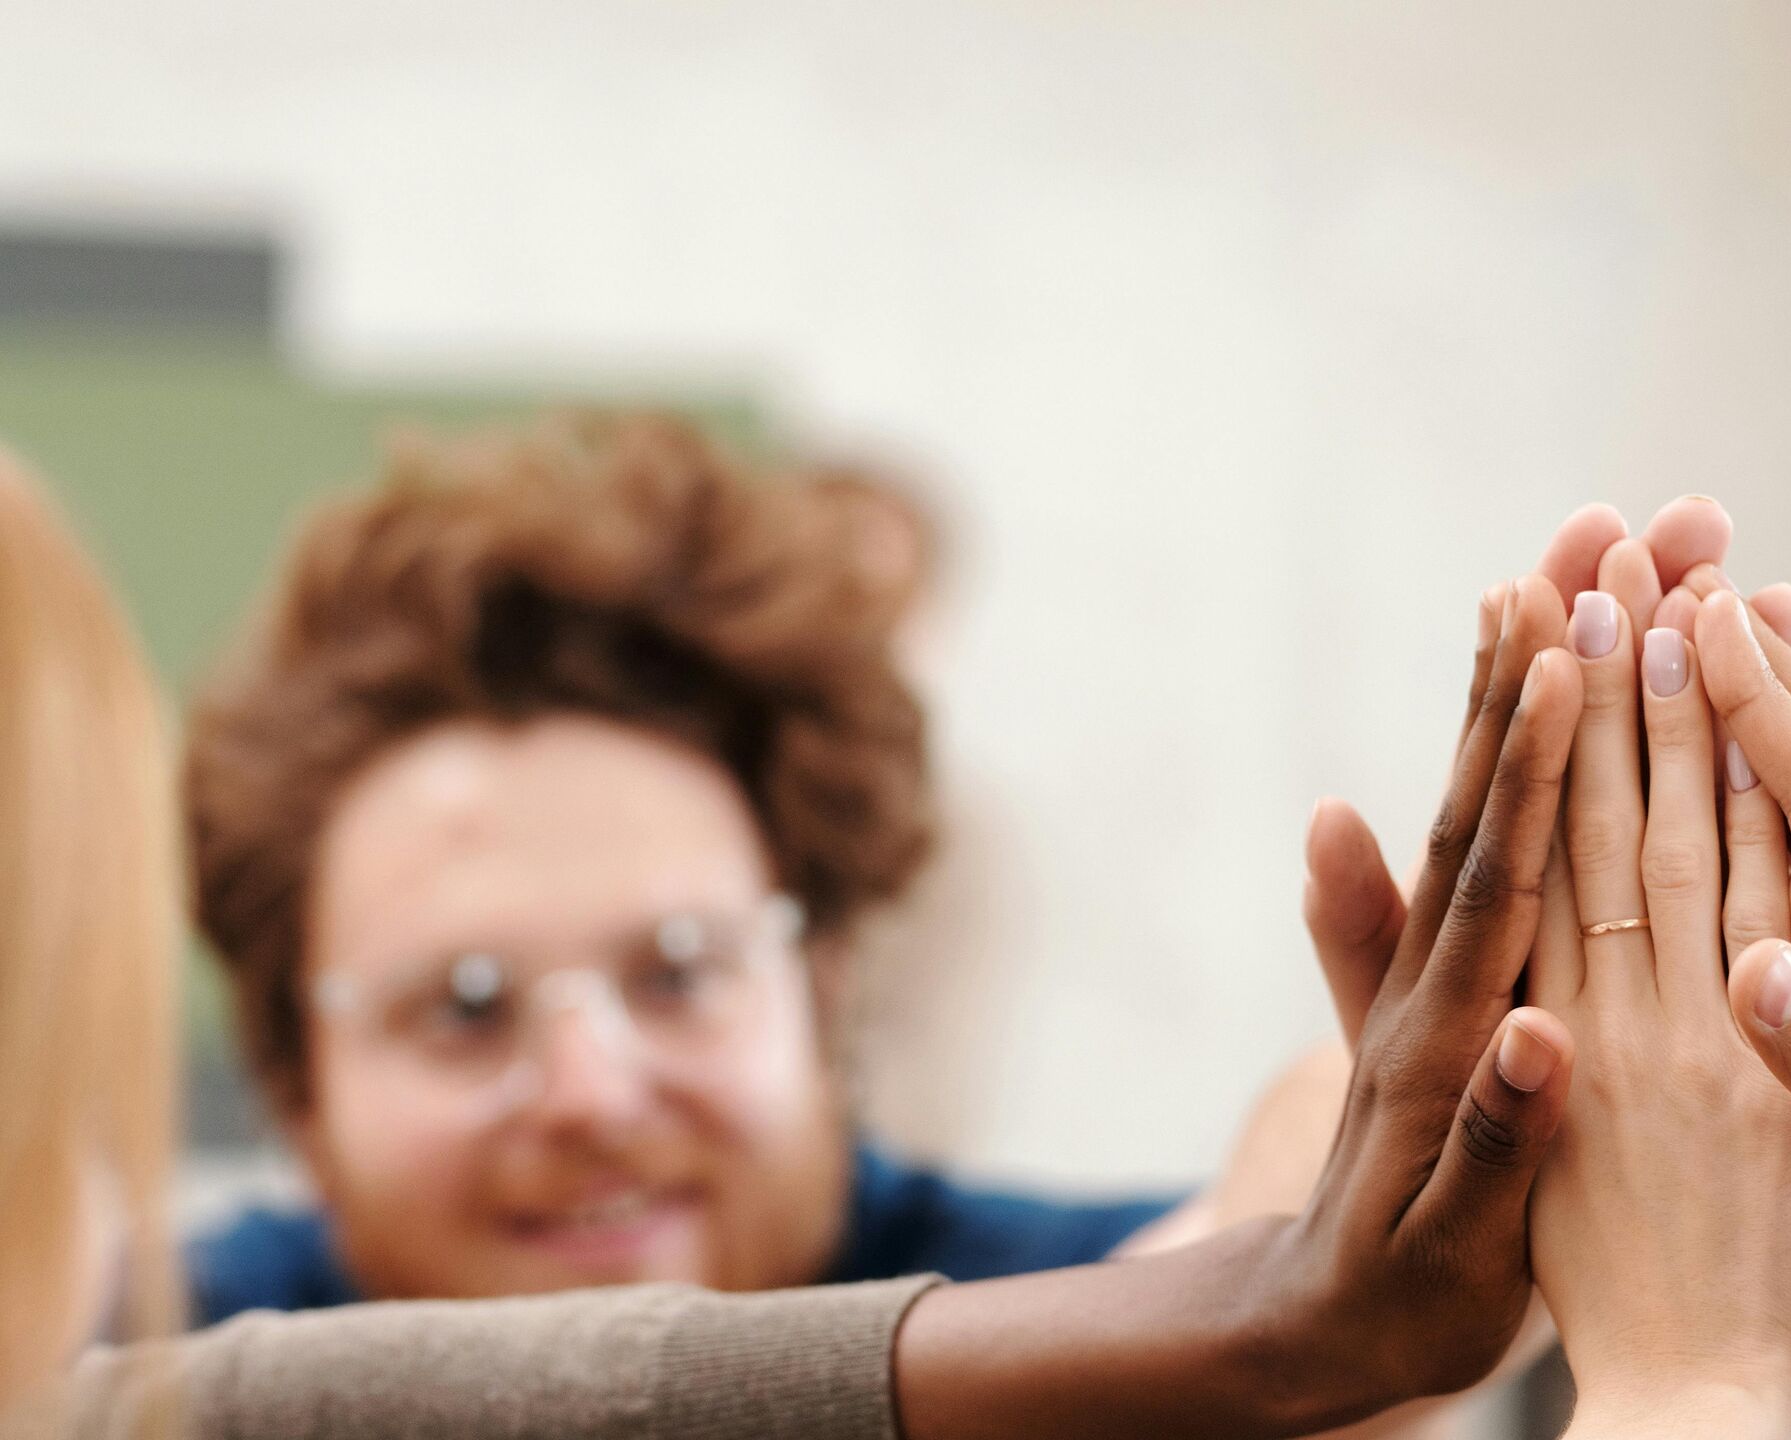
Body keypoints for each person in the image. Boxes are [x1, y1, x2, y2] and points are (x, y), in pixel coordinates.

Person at [0, 438, 1653, 1439]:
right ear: (293, 1083)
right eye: (466, 1007)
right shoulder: (140, 1342)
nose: (588, 1087)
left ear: (826, 982)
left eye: (679, 973)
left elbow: (1272, 1245)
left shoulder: (1036, 1286)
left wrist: (1461, 1117)